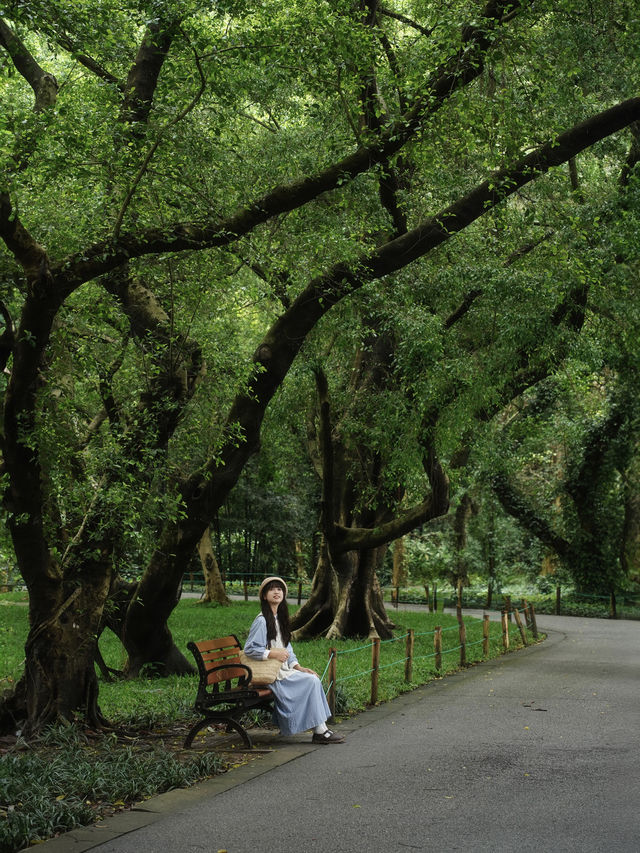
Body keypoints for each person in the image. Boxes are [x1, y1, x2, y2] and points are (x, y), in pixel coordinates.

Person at [244, 576, 344, 744]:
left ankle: (321, 730)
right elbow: (250, 649)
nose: (277, 592)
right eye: (272, 589)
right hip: (272, 675)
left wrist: (298, 667)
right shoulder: (262, 621)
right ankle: (320, 731)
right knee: (311, 682)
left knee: (312, 677)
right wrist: (272, 654)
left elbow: (288, 649)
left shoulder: (280, 619)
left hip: (283, 671)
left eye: (280, 589)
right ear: (263, 596)